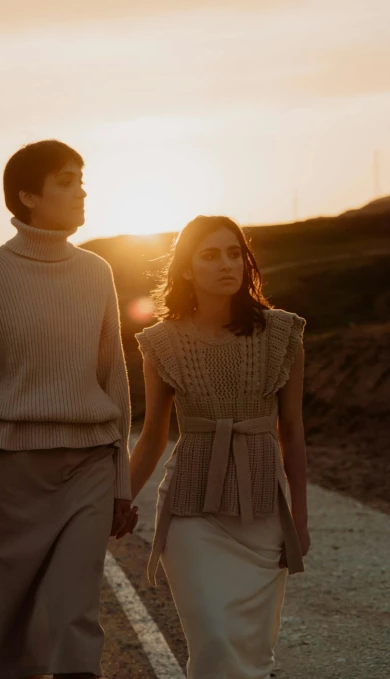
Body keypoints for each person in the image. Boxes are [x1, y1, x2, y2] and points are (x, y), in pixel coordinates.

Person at [0, 140, 137, 679]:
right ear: (28, 195)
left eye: (81, 178)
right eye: (66, 181)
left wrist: (120, 482)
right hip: (11, 472)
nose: (81, 190)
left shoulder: (97, 273)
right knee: (10, 623)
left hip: (88, 466)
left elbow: (115, 381)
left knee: (75, 614)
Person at [128, 215, 310, 679]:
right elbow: (152, 435)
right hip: (191, 511)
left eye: (234, 253)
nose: (226, 264)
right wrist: (117, 499)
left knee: (250, 652)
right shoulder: (162, 343)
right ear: (186, 268)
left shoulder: (282, 333)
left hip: (262, 513)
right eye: (210, 255)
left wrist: (300, 522)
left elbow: (292, 431)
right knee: (212, 643)